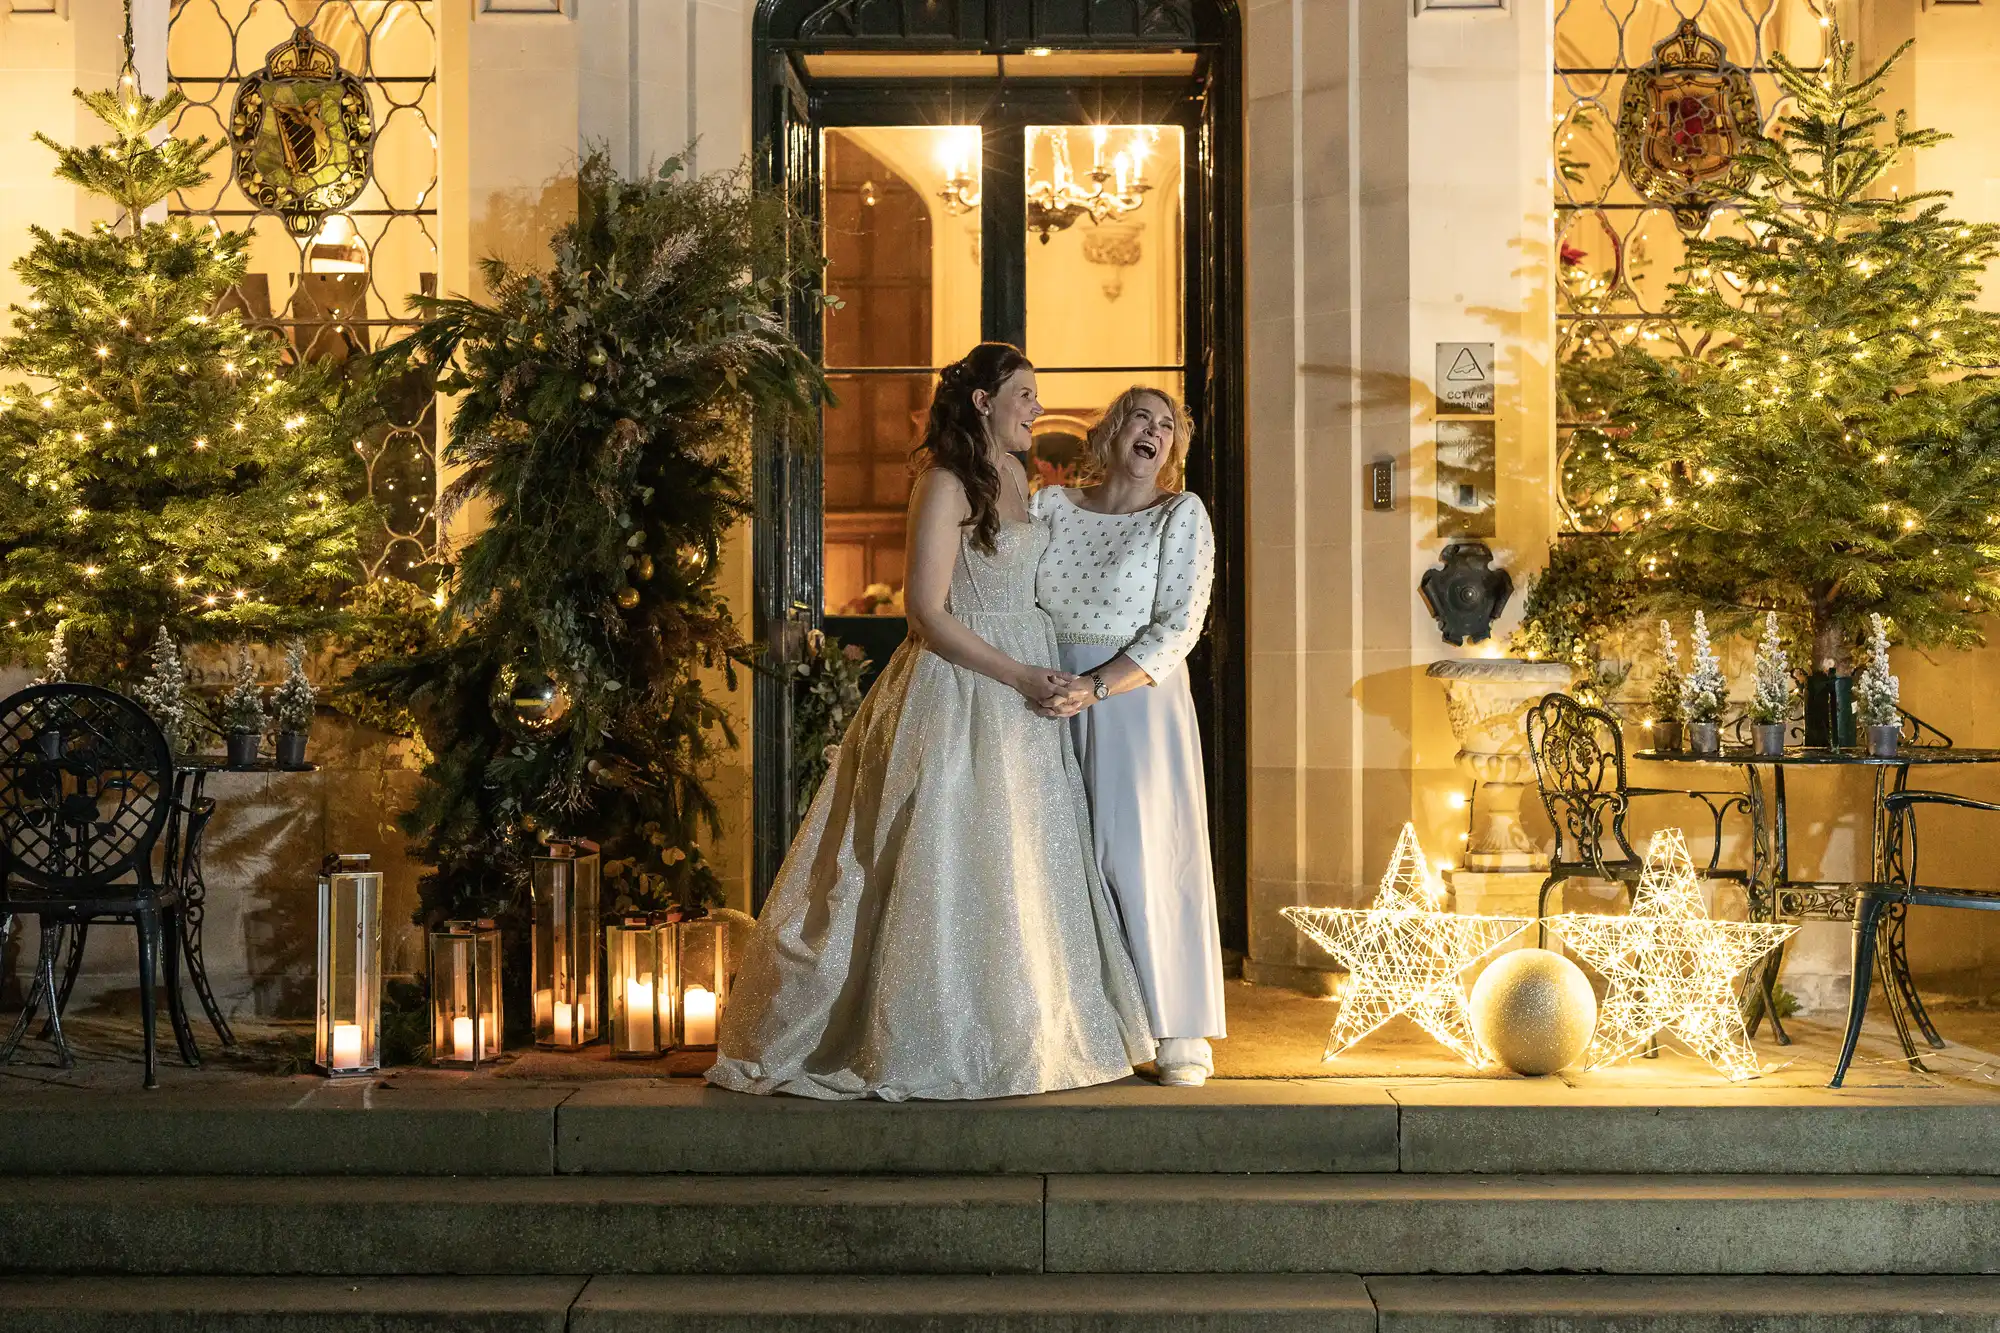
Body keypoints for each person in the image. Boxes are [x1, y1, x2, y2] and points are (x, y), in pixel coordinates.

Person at [707, 343, 1156, 1101]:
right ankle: (925, 1026)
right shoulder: (944, 484)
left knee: (1020, 858)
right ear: (983, 402)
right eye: (1024, 395)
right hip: (963, 684)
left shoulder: (1021, 476)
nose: (1037, 409)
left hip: (1030, 692)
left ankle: (1027, 1023)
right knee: (945, 853)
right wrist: (1016, 672)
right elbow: (925, 612)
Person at [1030, 386, 1224, 1087]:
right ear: (1110, 431)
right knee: (1056, 859)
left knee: (1141, 858)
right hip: (1043, 695)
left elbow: (1180, 625)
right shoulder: (1049, 507)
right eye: (1141, 417)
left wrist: (1098, 685)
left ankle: (1178, 1026)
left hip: (1135, 705)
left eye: (1168, 425)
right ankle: (1079, 1027)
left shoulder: (1181, 514)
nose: (1155, 430)